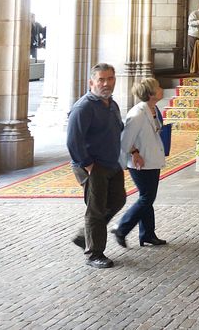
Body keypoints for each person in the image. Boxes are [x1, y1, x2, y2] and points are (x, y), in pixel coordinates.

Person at [66, 63, 127, 269]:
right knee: (96, 209)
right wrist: (88, 165)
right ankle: (94, 254)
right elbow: (73, 140)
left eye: (110, 79)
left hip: (111, 162)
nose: (106, 83)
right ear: (91, 82)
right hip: (93, 165)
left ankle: (87, 235)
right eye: (101, 79)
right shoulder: (84, 107)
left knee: (118, 199)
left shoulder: (112, 105)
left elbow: (118, 129)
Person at [111, 77, 169, 248]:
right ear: (151, 93)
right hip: (140, 163)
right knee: (146, 198)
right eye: (158, 87)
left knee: (148, 198)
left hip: (152, 159)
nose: (161, 88)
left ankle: (148, 234)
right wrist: (135, 153)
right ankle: (121, 227)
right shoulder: (137, 114)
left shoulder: (153, 109)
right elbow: (125, 140)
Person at [187, 0, 199, 72]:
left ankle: (198, 69)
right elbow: (190, 23)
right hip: (193, 35)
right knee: (191, 52)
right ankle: (190, 69)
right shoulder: (194, 13)